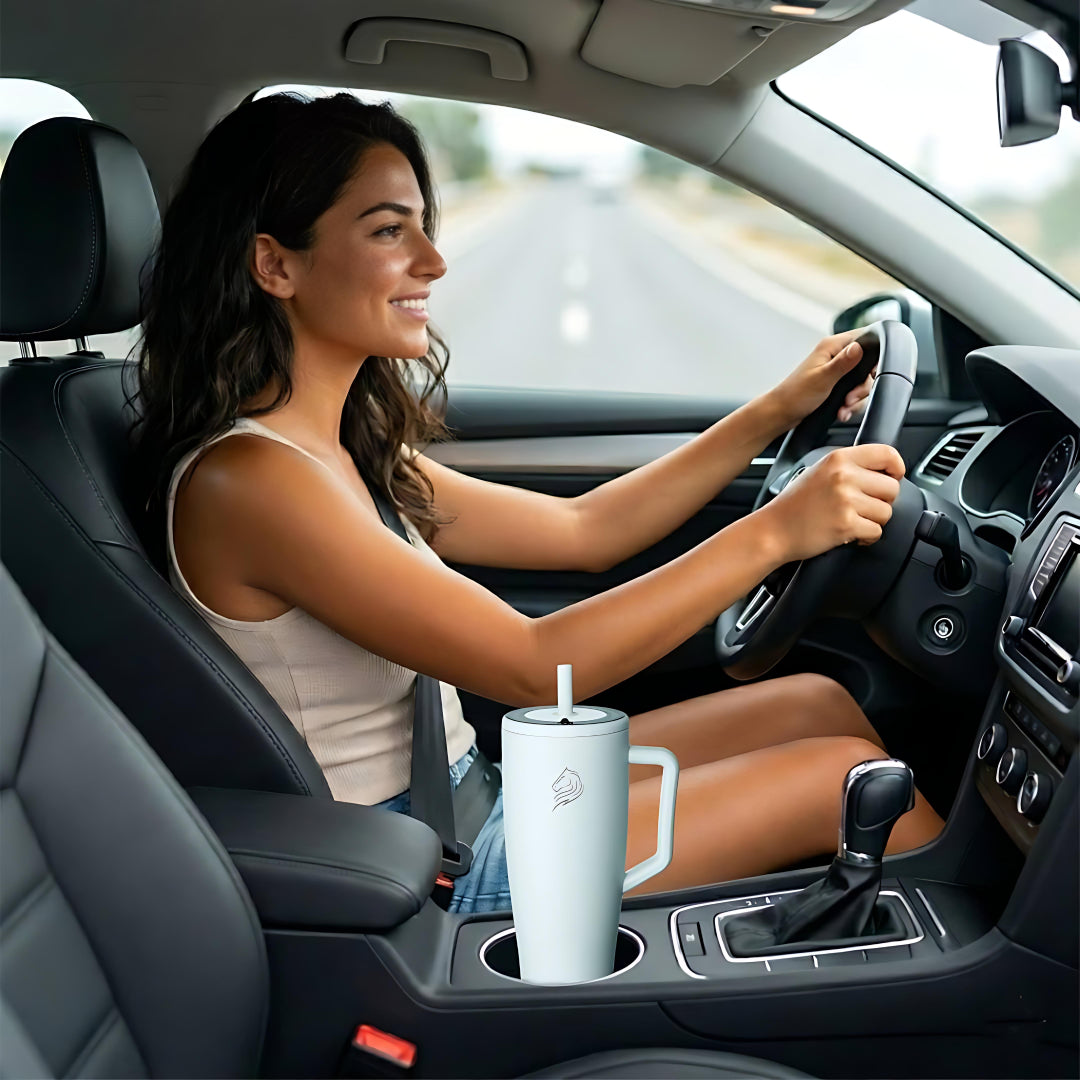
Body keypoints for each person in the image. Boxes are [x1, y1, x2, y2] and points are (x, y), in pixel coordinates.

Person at [132, 91, 943, 914]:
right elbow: (536, 664)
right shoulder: (252, 480)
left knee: (814, 706)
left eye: (422, 227)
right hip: (425, 867)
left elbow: (583, 529)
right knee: (844, 780)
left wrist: (775, 410)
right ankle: (980, 983)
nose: (433, 261)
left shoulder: (338, 449)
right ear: (276, 265)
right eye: (387, 231)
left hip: (471, 793)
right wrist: (775, 533)